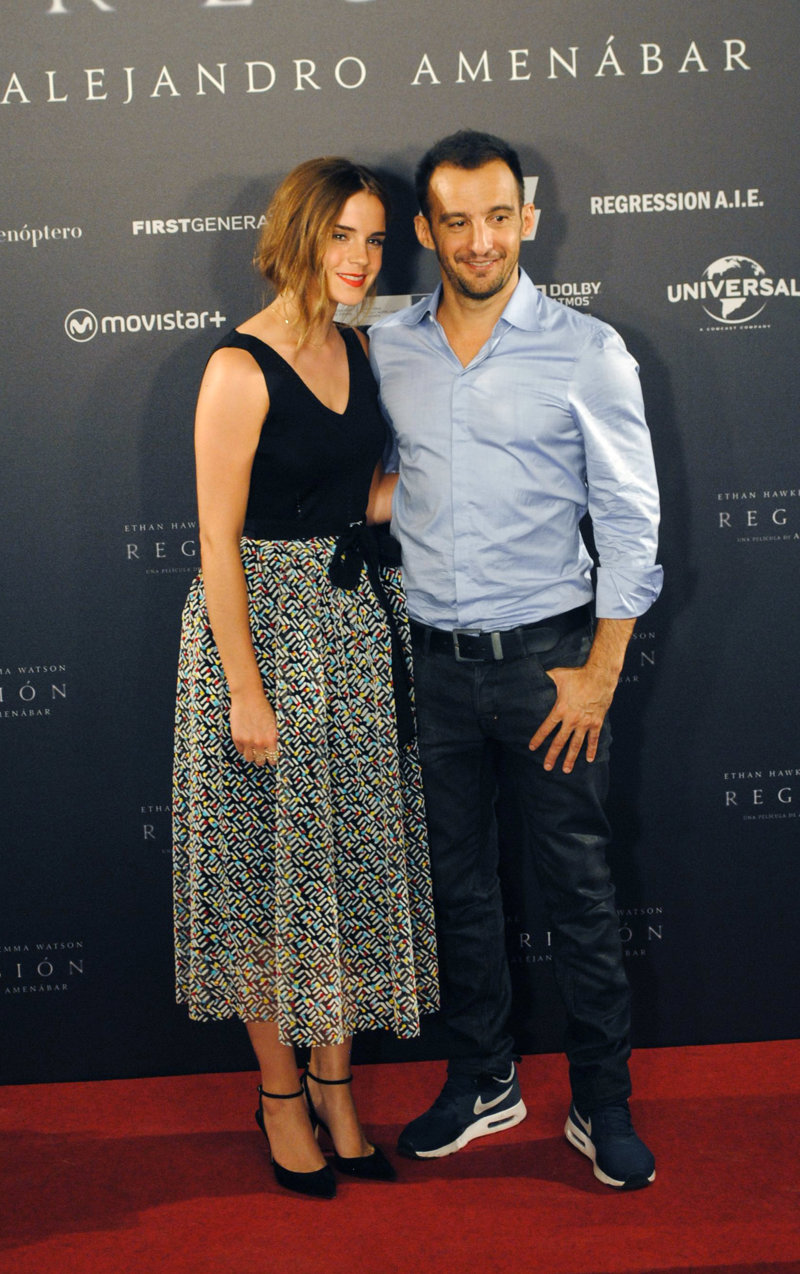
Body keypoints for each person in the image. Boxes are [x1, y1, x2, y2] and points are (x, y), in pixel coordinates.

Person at [368, 130, 663, 1190]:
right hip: (431, 665)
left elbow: (630, 519)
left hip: (549, 665)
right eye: (456, 221)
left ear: (526, 218)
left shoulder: (587, 350)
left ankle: (601, 1101)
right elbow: (371, 477)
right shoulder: (384, 347)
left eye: (498, 216)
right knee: (458, 889)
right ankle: (483, 1078)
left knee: (578, 891)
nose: (480, 240)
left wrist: (600, 672)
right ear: (426, 230)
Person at [172, 157, 438, 1200]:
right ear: (297, 235)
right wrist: (245, 688)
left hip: (355, 627)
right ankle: (279, 1094)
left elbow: (358, 497)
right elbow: (216, 540)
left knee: (347, 866)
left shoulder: (359, 347)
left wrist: (461, 474)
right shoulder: (238, 366)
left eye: (374, 240)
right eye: (342, 235)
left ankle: (336, 1087)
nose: (360, 258)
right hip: (261, 635)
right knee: (263, 874)